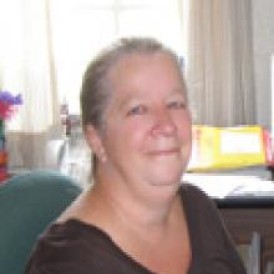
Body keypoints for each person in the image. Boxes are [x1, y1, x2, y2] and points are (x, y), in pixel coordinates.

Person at [25, 37, 246, 274]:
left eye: (175, 104)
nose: (167, 125)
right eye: (138, 109)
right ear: (97, 138)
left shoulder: (196, 208)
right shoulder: (64, 265)